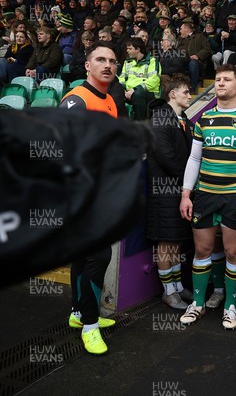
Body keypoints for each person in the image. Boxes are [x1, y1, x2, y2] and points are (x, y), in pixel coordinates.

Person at [179, 64, 236, 329]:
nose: (219, 83)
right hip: (204, 196)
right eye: (217, 79)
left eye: (226, 79)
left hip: (234, 197)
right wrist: (186, 194)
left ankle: (230, 307)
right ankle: (198, 304)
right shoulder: (203, 120)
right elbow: (194, 158)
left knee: (232, 253)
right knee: (203, 250)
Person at [59, 41, 119, 355]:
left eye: (111, 60)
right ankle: (91, 327)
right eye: (100, 59)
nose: (107, 65)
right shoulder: (76, 99)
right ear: (87, 65)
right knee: (99, 257)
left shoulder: (109, 100)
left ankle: (78, 313)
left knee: (83, 257)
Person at [147, 74, 195, 310]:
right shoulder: (159, 118)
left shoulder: (184, 118)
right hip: (164, 191)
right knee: (166, 242)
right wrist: (189, 180)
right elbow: (167, 157)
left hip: (179, 190)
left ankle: (176, 286)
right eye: (186, 92)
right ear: (172, 94)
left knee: (176, 241)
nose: (190, 95)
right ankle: (168, 291)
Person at [118, 37, 161, 120]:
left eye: (130, 49)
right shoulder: (128, 62)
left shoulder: (152, 61)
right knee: (115, 93)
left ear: (138, 49)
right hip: (128, 93)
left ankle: (139, 125)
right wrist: (122, 90)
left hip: (149, 94)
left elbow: (153, 81)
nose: (127, 51)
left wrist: (135, 90)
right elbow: (122, 77)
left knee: (137, 95)